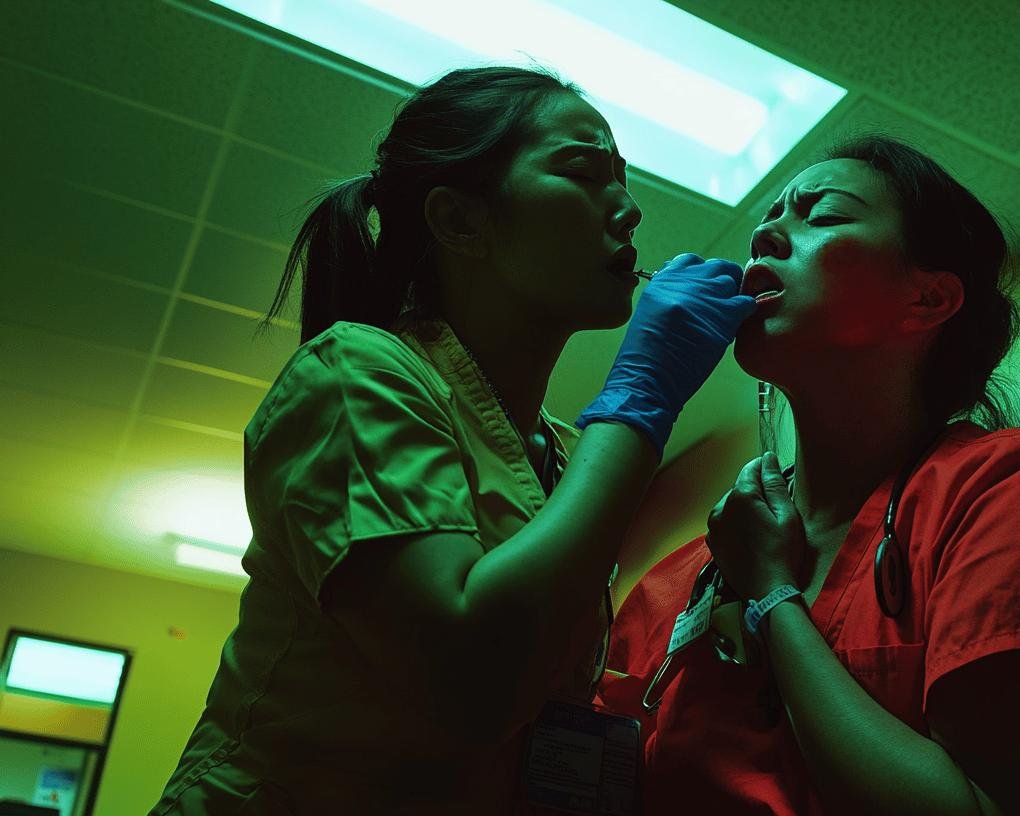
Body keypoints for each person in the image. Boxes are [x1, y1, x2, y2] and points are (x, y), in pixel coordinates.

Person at [151, 66, 756, 813]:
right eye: (581, 172)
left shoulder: (560, 456)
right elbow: (467, 686)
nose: (628, 210)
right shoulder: (356, 373)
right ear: (462, 222)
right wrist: (642, 401)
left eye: (622, 181)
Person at [600, 136, 1020, 815]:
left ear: (928, 300)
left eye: (821, 215)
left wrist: (773, 597)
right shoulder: (675, 583)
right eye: (770, 214)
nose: (764, 232)